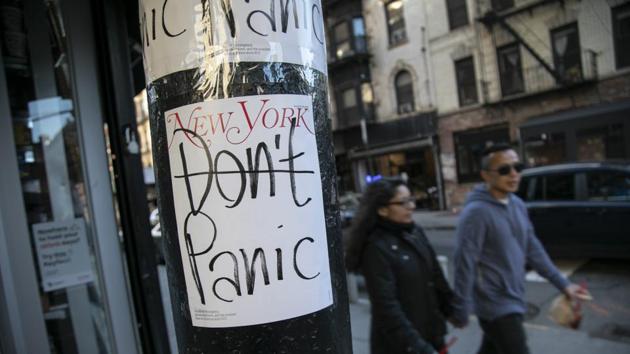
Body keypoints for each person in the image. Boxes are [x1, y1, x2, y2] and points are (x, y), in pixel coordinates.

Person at [450, 143, 588, 354]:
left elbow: (533, 249)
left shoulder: (517, 204)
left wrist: (564, 284)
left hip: (514, 296)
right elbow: (463, 262)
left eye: (518, 167)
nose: (514, 174)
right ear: (486, 176)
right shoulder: (476, 213)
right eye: (504, 170)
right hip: (495, 305)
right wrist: (461, 308)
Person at [346, 178, 453, 354]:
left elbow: (435, 275)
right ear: (382, 210)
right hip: (400, 346)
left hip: (431, 336)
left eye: (411, 200)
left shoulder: (415, 232)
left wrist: (451, 308)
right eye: (403, 202)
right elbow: (386, 307)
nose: (411, 206)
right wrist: (418, 347)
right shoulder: (375, 247)